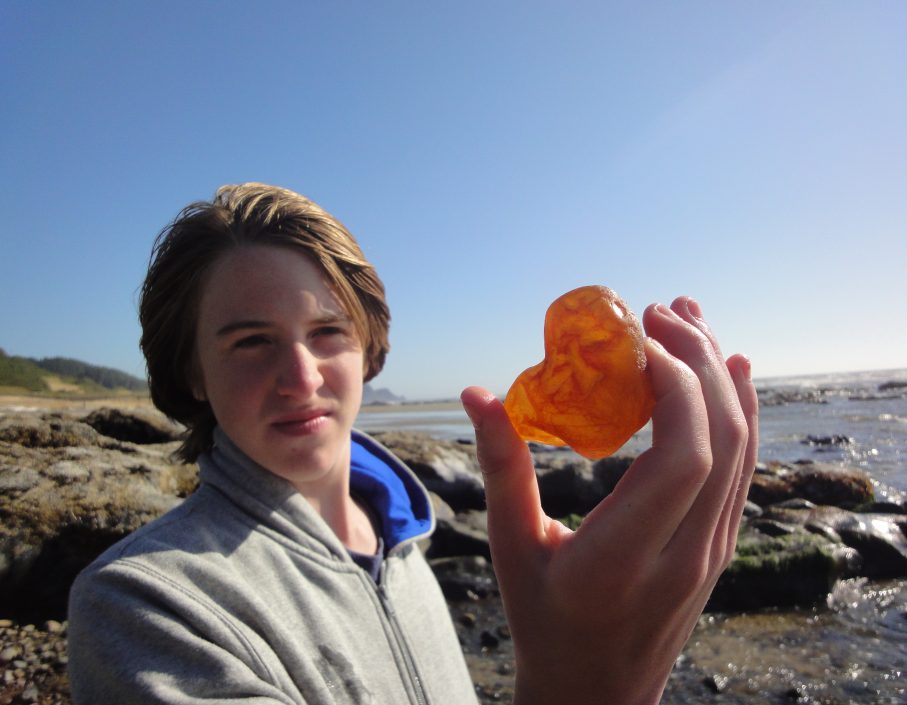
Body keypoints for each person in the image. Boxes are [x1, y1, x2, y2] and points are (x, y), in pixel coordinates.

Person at [68, 182, 759, 705]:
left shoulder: (405, 540)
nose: (301, 377)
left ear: (367, 343)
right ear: (191, 369)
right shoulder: (142, 609)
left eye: (328, 332)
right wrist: (579, 686)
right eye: (251, 341)